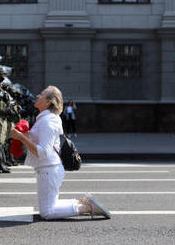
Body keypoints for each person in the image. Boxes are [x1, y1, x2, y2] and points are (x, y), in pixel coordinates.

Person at [11, 86, 111, 220]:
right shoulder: (45, 119)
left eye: (41, 95)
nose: (37, 96)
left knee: (48, 213)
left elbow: (43, 152)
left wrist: (21, 137)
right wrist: (26, 134)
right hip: (48, 169)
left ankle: (87, 207)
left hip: (49, 169)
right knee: (47, 208)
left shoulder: (48, 121)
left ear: (48, 102)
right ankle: (81, 202)